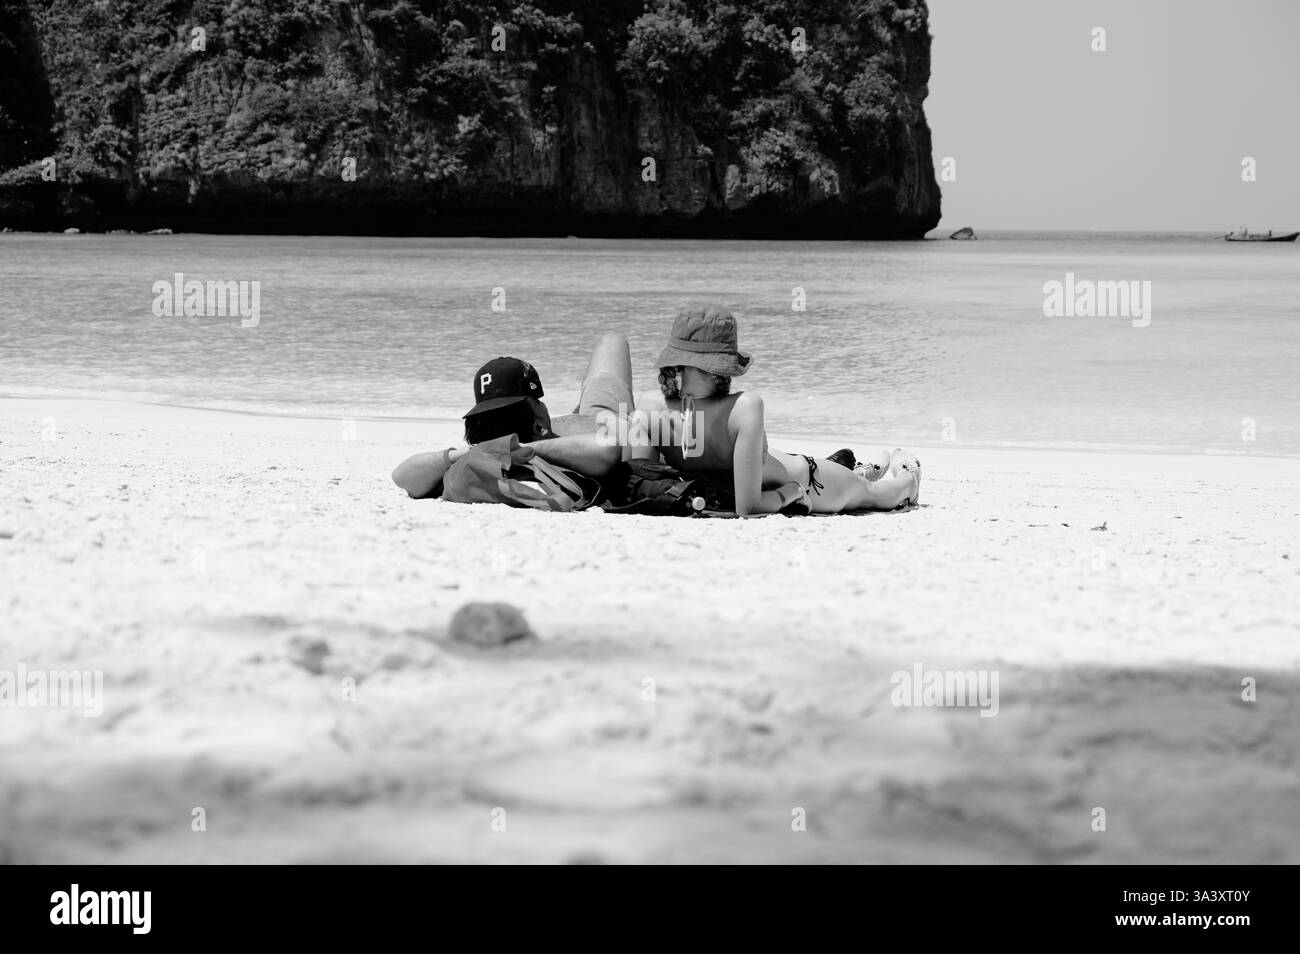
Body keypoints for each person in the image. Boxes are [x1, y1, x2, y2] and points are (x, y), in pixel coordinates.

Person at [629, 308, 920, 515]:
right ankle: (873, 473)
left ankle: (908, 477)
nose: (725, 376)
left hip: (809, 477)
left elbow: (642, 483)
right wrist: (790, 493)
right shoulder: (743, 407)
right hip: (802, 481)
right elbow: (749, 506)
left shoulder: (650, 406)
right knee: (867, 490)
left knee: (882, 495)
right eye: (721, 368)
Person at [391, 334, 634, 498]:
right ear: (539, 422)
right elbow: (606, 447)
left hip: (581, 423)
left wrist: (490, 449)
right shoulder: (560, 451)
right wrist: (518, 449)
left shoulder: (481, 463)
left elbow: (403, 476)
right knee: (612, 342)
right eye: (537, 402)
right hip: (610, 417)